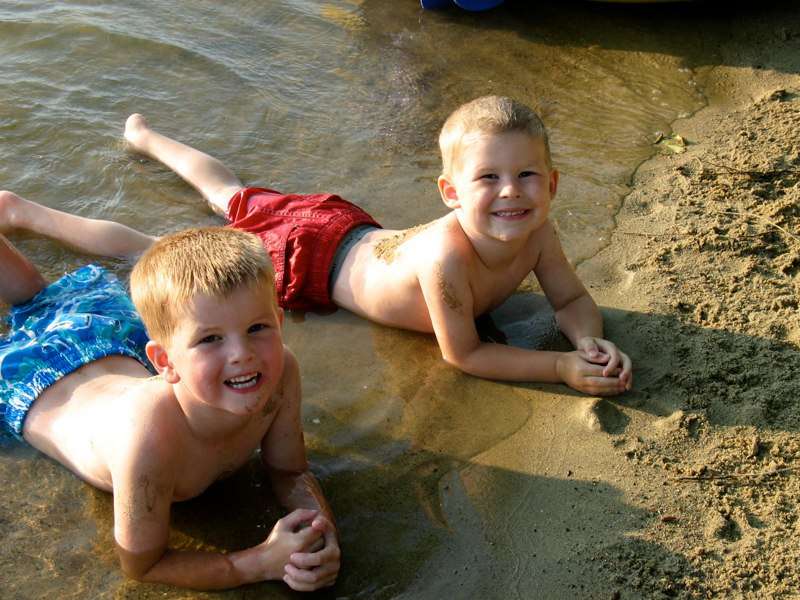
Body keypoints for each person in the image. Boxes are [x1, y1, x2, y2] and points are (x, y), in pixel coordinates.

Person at [0, 95, 632, 395]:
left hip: (345, 229)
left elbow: (572, 299)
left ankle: (143, 137)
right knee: (159, 249)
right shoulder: (446, 257)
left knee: (234, 196)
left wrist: (586, 340)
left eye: (527, 175)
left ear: (551, 184)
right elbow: (463, 353)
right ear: (449, 192)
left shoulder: (538, 232)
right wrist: (558, 367)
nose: (510, 192)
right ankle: (27, 210)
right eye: (487, 178)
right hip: (305, 262)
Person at [0, 226, 340, 591]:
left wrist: (321, 533)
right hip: (29, 382)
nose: (242, 354)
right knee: (33, 295)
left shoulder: (282, 371)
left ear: (279, 323)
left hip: (102, 334)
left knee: (37, 294)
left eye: (257, 327)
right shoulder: (148, 436)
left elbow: (290, 471)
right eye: (211, 338)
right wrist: (256, 564)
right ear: (165, 362)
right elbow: (141, 563)